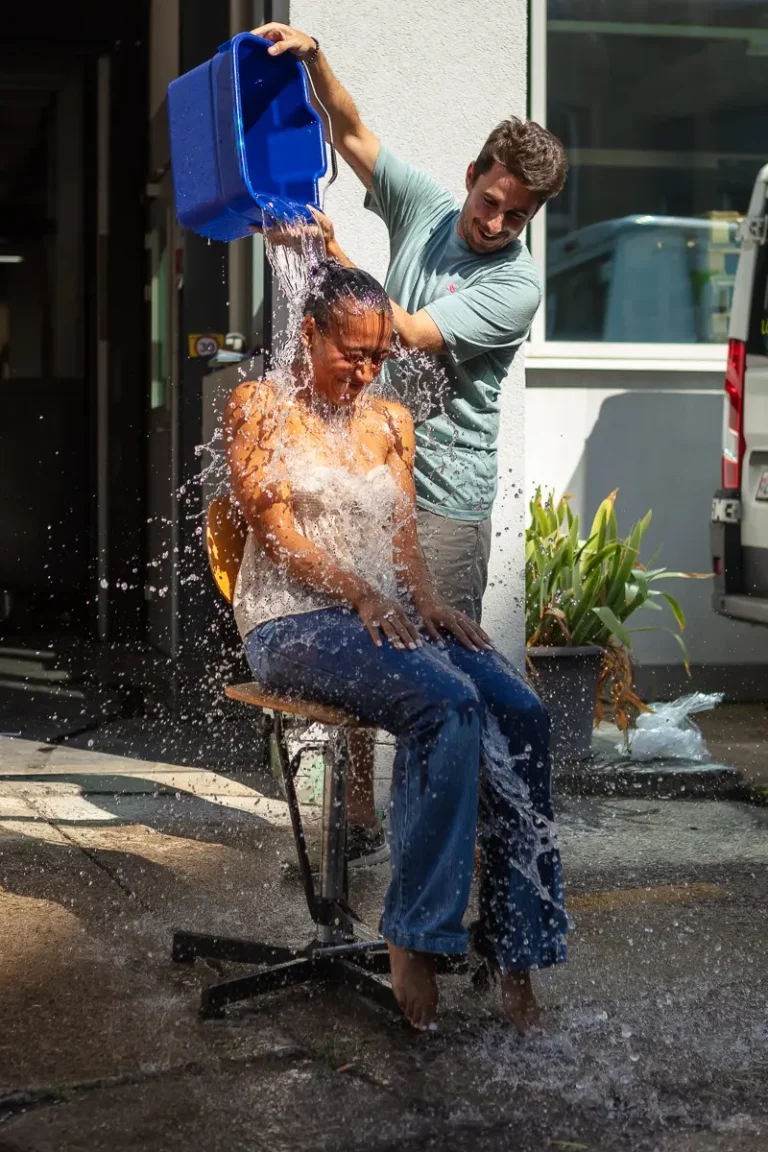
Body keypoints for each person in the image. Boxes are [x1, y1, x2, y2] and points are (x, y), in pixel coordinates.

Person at [250, 22, 569, 859]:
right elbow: (351, 133)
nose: (497, 222)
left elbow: (399, 335)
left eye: (518, 214)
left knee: (444, 692)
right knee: (360, 639)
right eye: (490, 201)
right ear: (472, 177)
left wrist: (332, 254)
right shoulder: (429, 205)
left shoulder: (518, 284)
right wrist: (316, 58)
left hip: (444, 500)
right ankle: (360, 833)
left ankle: (433, 870)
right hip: (370, 471)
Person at [225, 258, 567, 1033]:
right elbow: (273, 535)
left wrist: (432, 603)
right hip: (291, 623)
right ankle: (413, 933)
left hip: (382, 616)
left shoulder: (389, 422)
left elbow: (401, 538)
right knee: (444, 703)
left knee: (520, 710)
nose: (368, 371)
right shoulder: (260, 406)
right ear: (308, 335)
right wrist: (358, 591)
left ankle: (516, 953)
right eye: (353, 354)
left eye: (380, 356)